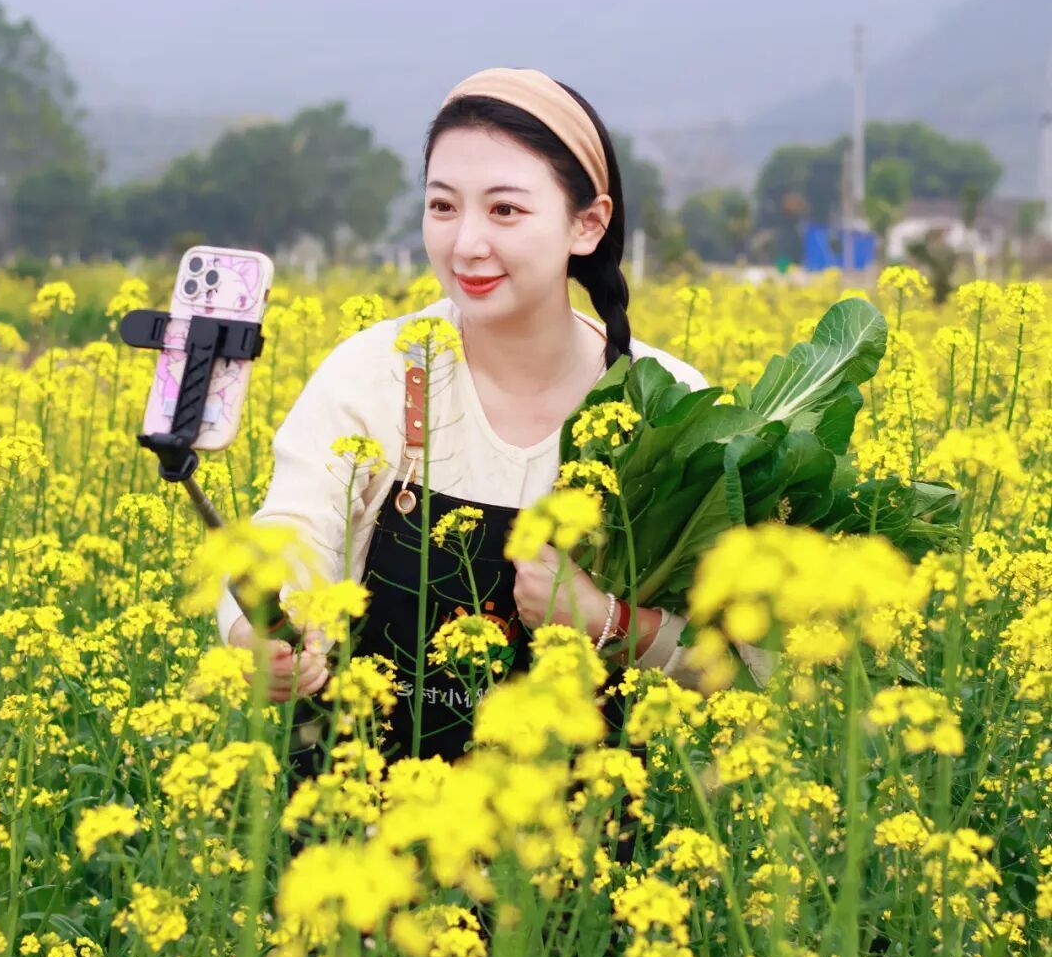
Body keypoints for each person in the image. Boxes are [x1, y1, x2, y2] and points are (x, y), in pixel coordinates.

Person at [219, 66, 709, 769]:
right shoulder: (377, 371)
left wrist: (610, 623)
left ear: (587, 223)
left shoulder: (669, 405)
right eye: (443, 206)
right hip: (364, 818)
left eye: (504, 210)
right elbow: (293, 528)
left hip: (588, 828)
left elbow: (748, 658)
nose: (466, 244)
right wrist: (261, 630)